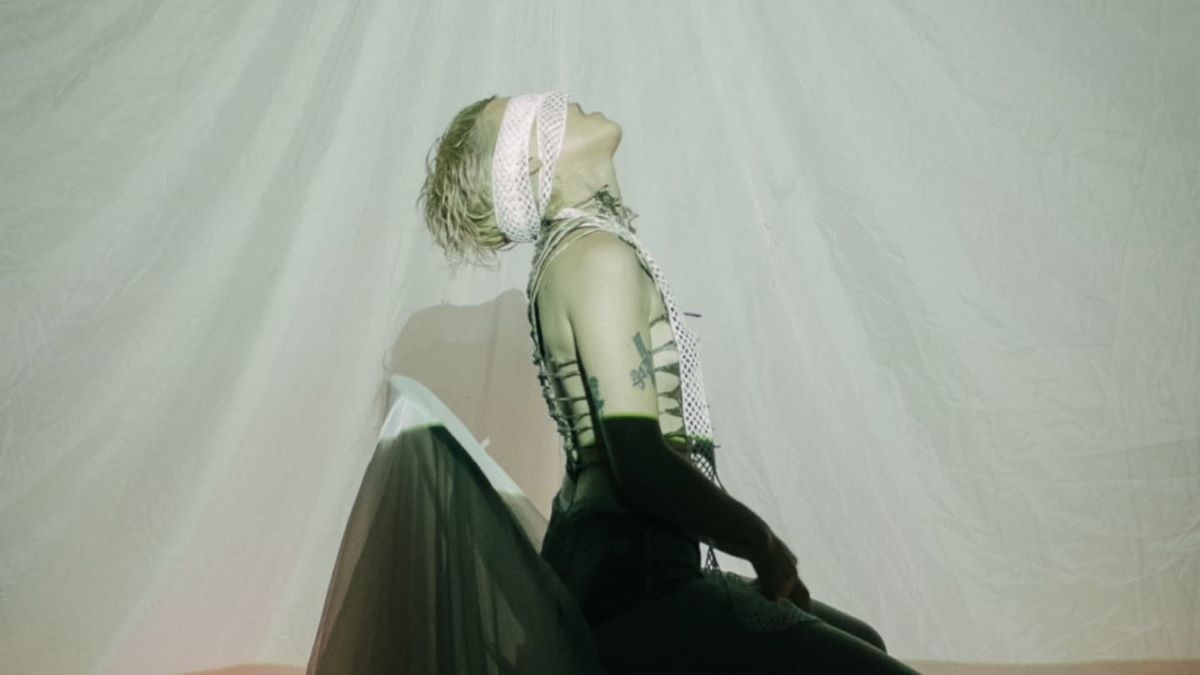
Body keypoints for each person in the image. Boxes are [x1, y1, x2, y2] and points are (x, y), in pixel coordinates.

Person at [419, 91, 922, 674]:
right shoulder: (597, 258)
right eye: (533, 111)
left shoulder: (571, 253)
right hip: (631, 581)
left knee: (865, 640)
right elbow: (639, 461)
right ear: (529, 163)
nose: (561, 100)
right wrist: (761, 544)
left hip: (610, 564)